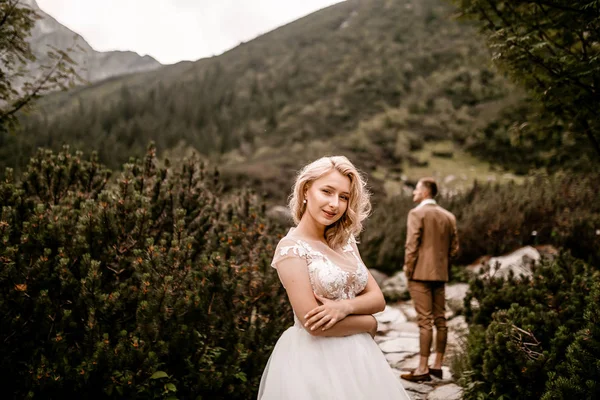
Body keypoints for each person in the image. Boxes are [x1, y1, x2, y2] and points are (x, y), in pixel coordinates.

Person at [258, 156, 410, 399]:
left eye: (344, 197)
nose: (334, 204)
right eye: (326, 191)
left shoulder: (346, 241)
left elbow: (377, 299)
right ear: (306, 190)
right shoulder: (291, 248)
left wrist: (344, 307)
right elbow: (312, 325)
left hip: (362, 359)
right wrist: (369, 323)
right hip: (315, 363)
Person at [400, 177, 459, 382]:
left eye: (416, 189)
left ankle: (422, 369)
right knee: (440, 320)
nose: (414, 193)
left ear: (425, 192)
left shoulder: (416, 214)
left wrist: (408, 269)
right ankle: (437, 365)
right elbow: (454, 248)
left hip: (419, 275)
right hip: (440, 275)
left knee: (425, 322)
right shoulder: (449, 216)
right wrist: (442, 266)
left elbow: (412, 245)